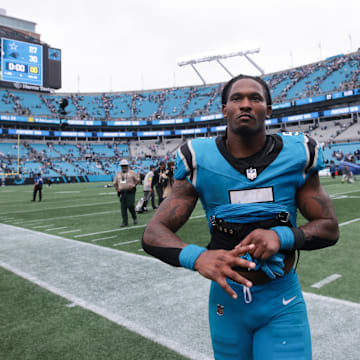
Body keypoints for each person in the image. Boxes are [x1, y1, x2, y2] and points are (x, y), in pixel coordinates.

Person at [142, 74, 339, 360]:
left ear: (268, 110)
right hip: (227, 303)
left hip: (280, 300)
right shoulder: (199, 158)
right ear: (224, 109)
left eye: (255, 98)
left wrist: (280, 236)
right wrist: (198, 257)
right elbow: (153, 232)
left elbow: (330, 228)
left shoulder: (298, 154)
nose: (245, 105)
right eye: (237, 98)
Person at [113, 159, 140, 227]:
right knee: (123, 207)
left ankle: (134, 217)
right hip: (122, 192)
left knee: (130, 205)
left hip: (130, 191)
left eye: (125, 166)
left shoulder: (132, 173)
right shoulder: (118, 174)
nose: (123, 167)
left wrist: (134, 185)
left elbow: (138, 180)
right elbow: (115, 183)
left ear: (127, 166)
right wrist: (117, 190)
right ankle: (124, 222)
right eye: (122, 166)